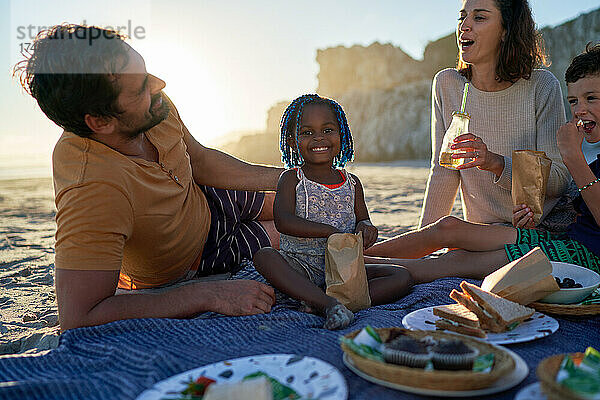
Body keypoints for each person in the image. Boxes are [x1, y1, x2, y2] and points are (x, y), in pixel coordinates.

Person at [14, 24, 284, 332]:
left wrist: (287, 178)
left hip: (204, 196)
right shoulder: (91, 188)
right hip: (197, 258)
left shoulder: (153, 106)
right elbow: (78, 317)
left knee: (312, 205)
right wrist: (206, 294)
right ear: (100, 122)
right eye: (141, 86)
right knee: (298, 234)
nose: (159, 84)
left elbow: (202, 160)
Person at [365, 43, 600, 283]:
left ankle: (361, 270)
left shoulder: (576, 150)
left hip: (586, 255)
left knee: (457, 262)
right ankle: (356, 258)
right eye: (573, 101)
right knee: (448, 227)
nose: (579, 110)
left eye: (591, 98)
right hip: (561, 238)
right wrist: (528, 220)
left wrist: (572, 156)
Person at [253, 94, 413, 330]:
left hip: (345, 271)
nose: (319, 138)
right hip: (300, 267)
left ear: (343, 135)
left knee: (402, 277)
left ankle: (323, 300)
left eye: (328, 130)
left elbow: (363, 221)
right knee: (264, 256)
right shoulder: (292, 179)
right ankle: (328, 304)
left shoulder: (353, 183)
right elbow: (283, 221)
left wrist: (367, 230)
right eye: (307, 132)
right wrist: (328, 231)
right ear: (291, 140)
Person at [418, 0, 571, 229]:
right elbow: (444, 172)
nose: (464, 26)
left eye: (479, 17)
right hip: (480, 232)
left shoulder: (542, 86)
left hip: (538, 229)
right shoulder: (447, 84)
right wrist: (424, 239)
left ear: (505, 30)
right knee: (423, 255)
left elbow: (559, 180)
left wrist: (497, 163)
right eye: (463, 17)